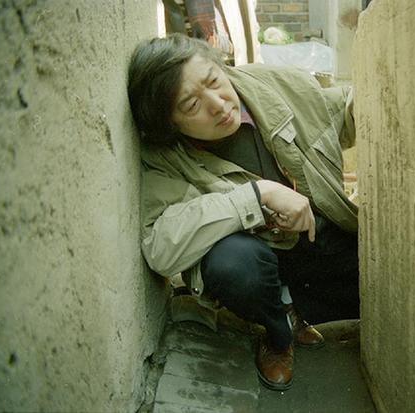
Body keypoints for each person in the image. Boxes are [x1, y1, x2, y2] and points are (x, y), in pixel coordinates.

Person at [127, 33, 359, 391]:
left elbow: (342, 111)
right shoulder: (165, 158)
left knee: (385, 281)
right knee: (233, 265)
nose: (218, 105)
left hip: (317, 237)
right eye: (191, 105)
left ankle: (299, 308)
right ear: (169, 123)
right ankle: (277, 332)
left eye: (214, 81)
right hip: (257, 259)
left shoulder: (275, 85)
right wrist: (258, 195)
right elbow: (160, 246)